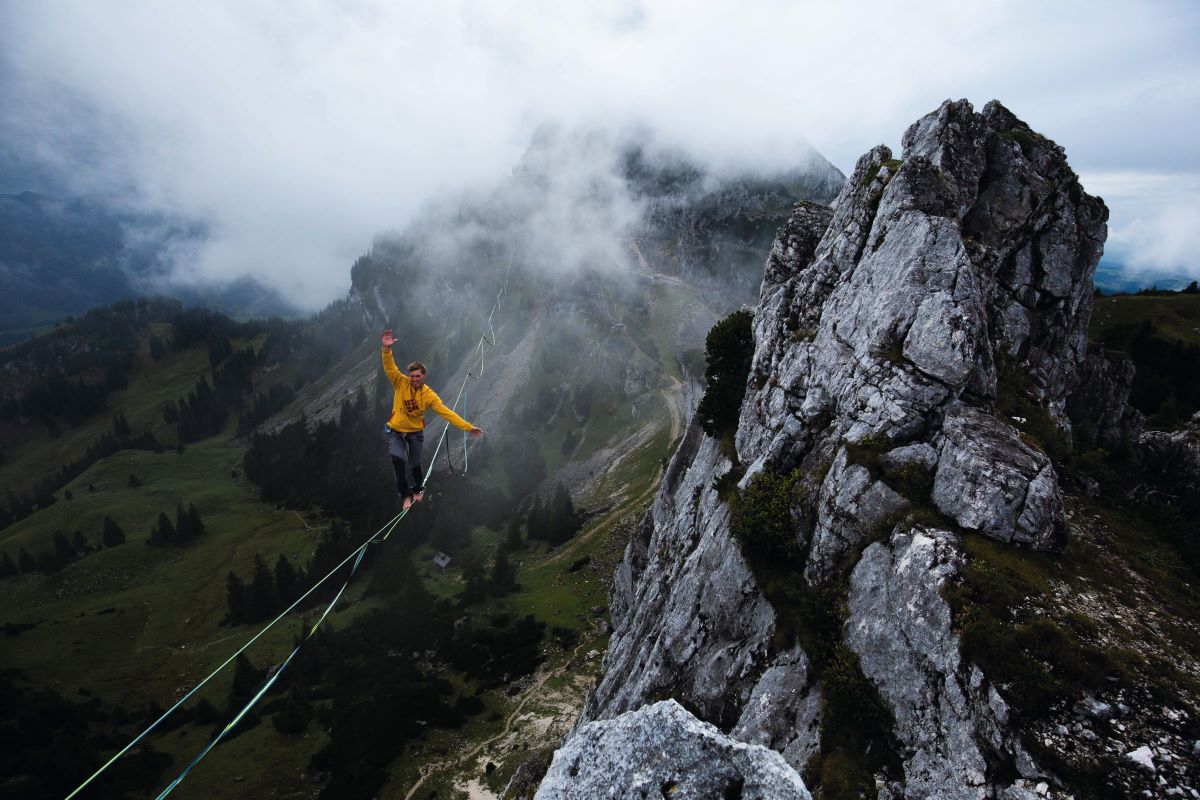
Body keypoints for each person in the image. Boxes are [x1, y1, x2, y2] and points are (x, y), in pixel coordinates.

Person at [380, 329, 484, 510]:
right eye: (411, 376)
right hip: (396, 431)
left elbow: (446, 413)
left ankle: (417, 490)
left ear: (423, 376)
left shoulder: (429, 395)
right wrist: (386, 349)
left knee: (415, 464)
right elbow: (390, 367)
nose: (413, 379)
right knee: (398, 461)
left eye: (417, 376)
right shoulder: (400, 382)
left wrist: (468, 427)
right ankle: (405, 496)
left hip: (414, 433)